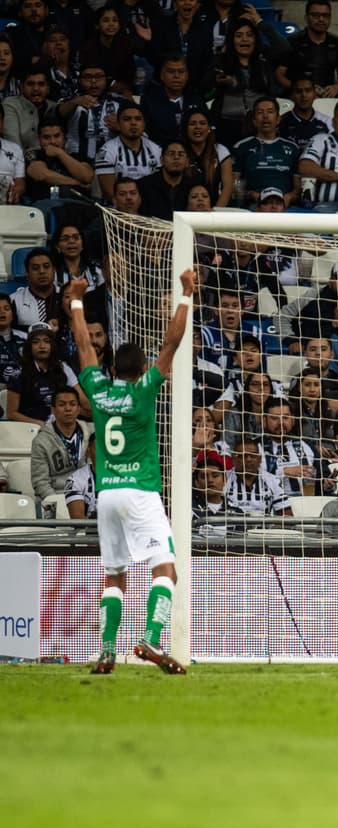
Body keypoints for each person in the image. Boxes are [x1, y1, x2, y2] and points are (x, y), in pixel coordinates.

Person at [66, 270, 194, 675]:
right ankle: (151, 640)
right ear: (142, 370)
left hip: (105, 494)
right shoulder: (143, 391)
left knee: (114, 574)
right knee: (165, 568)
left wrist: (75, 300)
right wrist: (187, 295)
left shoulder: (98, 391)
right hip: (140, 492)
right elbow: (172, 343)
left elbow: (84, 344)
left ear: (113, 368)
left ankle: (106, 650)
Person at [232, 96, 301, 208]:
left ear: (278, 119)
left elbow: (298, 187)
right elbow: (234, 186)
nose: (265, 116)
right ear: (254, 120)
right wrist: (250, 194)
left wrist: (290, 196)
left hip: (286, 206)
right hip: (255, 206)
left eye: (270, 112)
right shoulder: (241, 147)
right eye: (260, 112)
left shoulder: (293, 148)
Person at [275, 0, 338, 98]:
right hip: (298, 97)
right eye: (315, 15)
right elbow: (279, 74)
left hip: (326, 97)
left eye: (325, 15)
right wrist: (302, 89)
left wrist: (337, 87)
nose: (321, 19)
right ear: (306, 18)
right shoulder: (292, 42)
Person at [29, 385, 89, 503]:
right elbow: (40, 482)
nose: (68, 409)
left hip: (87, 495)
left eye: (72, 404)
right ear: (53, 409)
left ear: (78, 408)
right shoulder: (41, 441)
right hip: (58, 496)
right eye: (62, 404)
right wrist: (58, 503)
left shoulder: (90, 433)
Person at [93, 103, 161, 202]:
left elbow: (159, 186)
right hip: (118, 210)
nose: (133, 123)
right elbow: (109, 193)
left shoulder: (157, 150)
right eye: (127, 119)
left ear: (144, 124)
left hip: (150, 207)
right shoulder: (106, 151)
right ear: (118, 124)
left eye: (138, 119)